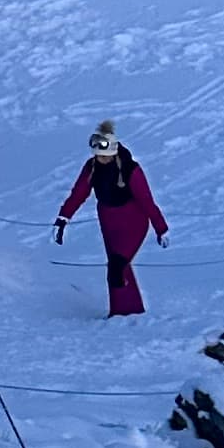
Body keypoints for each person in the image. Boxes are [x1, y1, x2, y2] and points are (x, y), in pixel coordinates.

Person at [56, 121, 169, 317]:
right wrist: (63, 218)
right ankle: (126, 311)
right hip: (109, 222)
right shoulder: (91, 167)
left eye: (105, 156)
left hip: (133, 221)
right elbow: (79, 193)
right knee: (117, 267)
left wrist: (161, 229)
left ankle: (125, 313)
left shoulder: (131, 170)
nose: (101, 159)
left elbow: (147, 202)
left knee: (117, 267)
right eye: (98, 156)